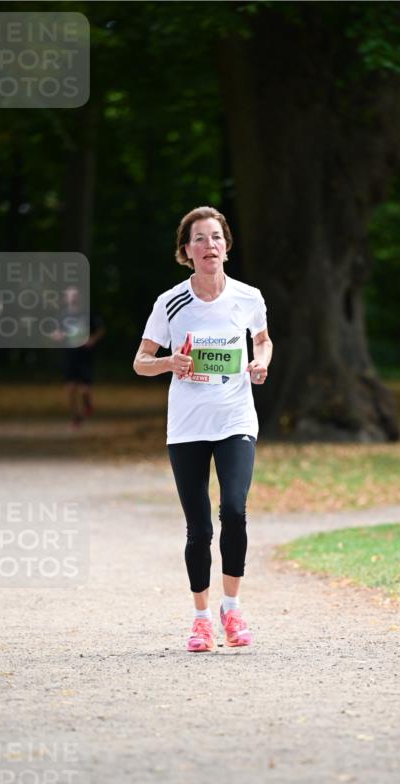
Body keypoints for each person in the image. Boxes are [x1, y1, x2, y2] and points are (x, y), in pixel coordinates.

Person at [133, 206, 273, 652]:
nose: (209, 245)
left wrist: (260, 363)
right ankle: (200, 618)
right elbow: (140, 361)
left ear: (226, 246)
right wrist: (168, 363)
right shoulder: (171, 302)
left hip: (235, 420)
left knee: (233, 510)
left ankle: (232, 610)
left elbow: (264, 340)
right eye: (199, 239)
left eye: (216, 237)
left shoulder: (248, 297)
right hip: (188, 427)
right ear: (186, 251)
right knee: (199, 528)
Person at [60, 286, 106, 429]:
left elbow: (101, 329)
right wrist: (57, 335)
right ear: (66, 298)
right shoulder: (62, 316)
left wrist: (92, 339)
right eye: (70, 295)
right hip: (69, 355)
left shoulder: (88, 313)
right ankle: (76, 417)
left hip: (85, 355)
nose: (73, 297)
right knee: (70, 389)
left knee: (85, 389)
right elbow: (55, 331)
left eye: (75, 295)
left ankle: (87, 403)